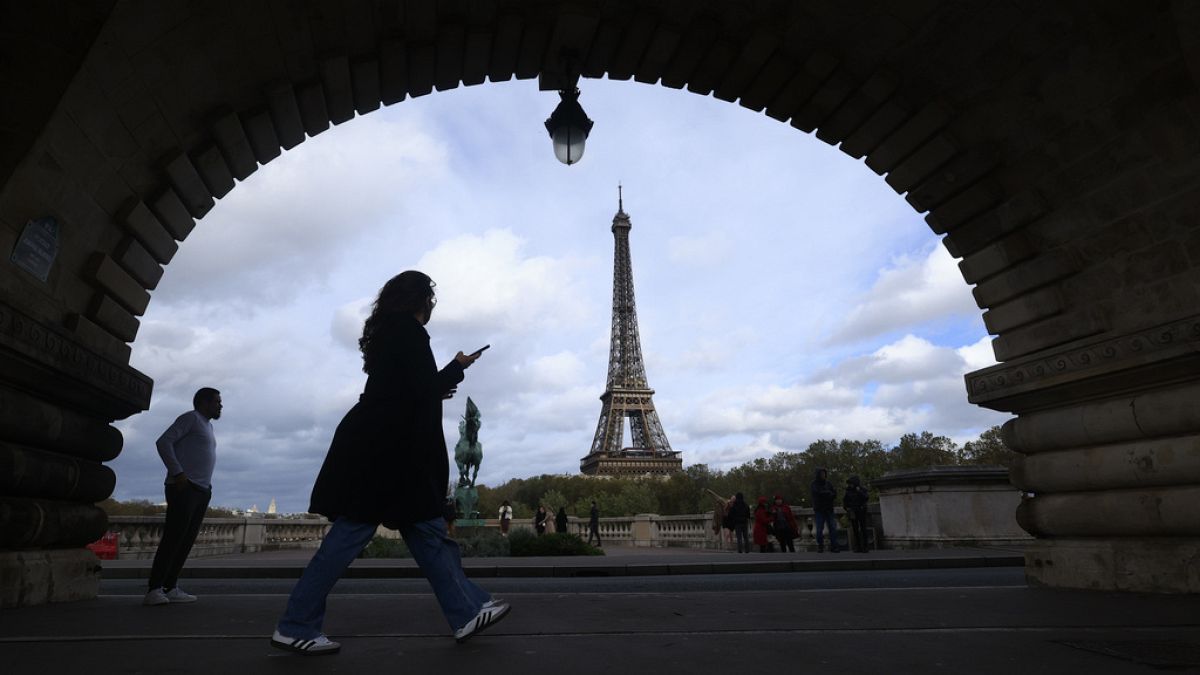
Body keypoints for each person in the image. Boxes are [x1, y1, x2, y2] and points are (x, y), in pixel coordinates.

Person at [271, 271, 508, 655]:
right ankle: (295, 624)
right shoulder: (408, 332)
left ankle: (467, 611)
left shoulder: (388, 332)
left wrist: (437, 383)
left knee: (427, 535)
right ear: (420, 300)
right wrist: (459, 365)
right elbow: (421, 389)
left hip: (384, 451)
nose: (432, 304)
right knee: (353, 540)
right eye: (430, 298)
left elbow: (407, 390)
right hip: (387, 457)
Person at [143, 387, 222, 606]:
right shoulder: (191, 419)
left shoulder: (208, 426)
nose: (220, 406)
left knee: (185, 540)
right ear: (204, 403)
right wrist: (178, 473)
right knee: (173, 538)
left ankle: (169, 586)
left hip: (200, 489)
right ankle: (155, 588)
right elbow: (163, 442)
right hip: (185, 487)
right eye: (217, 401)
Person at [811, 467, 840, 553]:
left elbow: (834, 494)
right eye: (822, 474)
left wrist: (827, 493)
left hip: (829, 509)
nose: (823, 475)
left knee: (832, 528)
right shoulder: (814, 484)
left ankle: (834, 546)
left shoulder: (828, 483)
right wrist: (828, 493)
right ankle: (820, 545)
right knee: (819, 529)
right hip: (819, 510)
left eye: (824, 473)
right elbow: (818, 493)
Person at [844, 475, 872, 553]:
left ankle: (865, 547)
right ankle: (858, 546)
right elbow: (845, 501)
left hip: (861, 511)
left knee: (863, 529)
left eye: (851, 483)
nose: (850, 485)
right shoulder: (848, 491)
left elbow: (866, 498)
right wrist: (847, 508)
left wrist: (859, 491)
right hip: (853, 512)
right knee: (855, 530)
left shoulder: (862, 489)